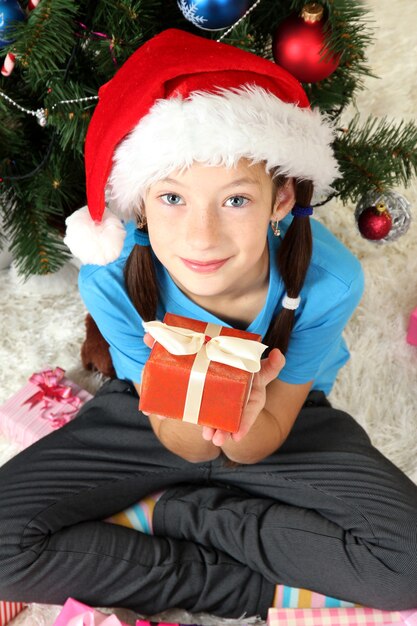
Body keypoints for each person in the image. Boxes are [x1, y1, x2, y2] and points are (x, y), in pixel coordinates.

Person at [0, 28, 416, 620]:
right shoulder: (111, 278)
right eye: (172, 199)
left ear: (279, 200)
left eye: (235, 200)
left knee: (410, 566)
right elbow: (180, 440)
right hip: (147, 417)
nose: (201, 238)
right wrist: (202, 420)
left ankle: (174, 512)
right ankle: (247, 587)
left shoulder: (330, 281)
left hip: (282, 418)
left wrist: (243, 421)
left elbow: (263, 436)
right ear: (141, 201)